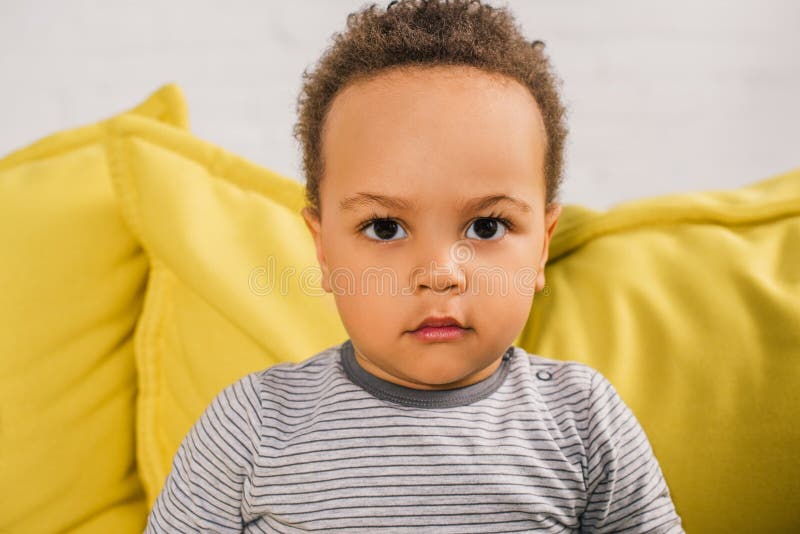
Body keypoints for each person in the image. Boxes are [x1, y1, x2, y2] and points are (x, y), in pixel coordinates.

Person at [145, 0, 684, 531]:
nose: (440, 273)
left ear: (542, 246)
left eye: (487, 226)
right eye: (385, 228)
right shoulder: (253, 424)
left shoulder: (583, 420)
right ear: (324, 250)